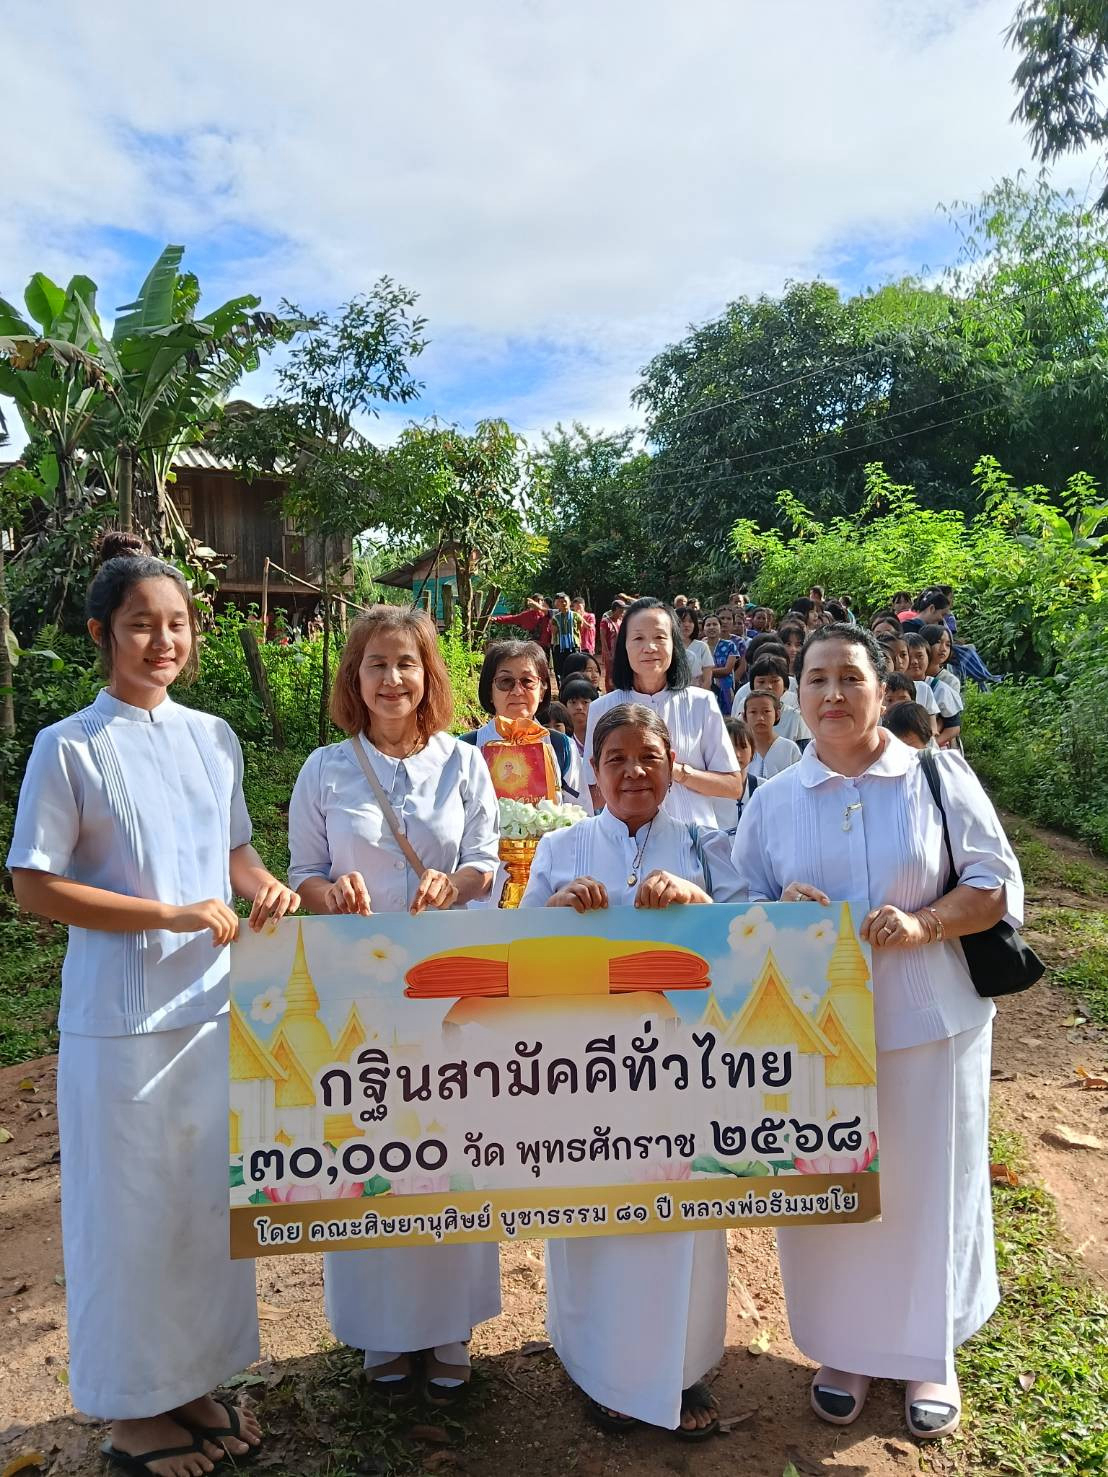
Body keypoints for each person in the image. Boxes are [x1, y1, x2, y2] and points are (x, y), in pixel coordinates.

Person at [8, 533, 300, 1477]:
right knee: (129, 1217)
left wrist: (266, 887)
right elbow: (34, 884)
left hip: (212, 1011)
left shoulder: (212, 737)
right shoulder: (68, 747)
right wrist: (168, 913)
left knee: (202, 1207)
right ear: (103, 633)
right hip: (120, 1023)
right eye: (142, 624)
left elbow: (235, 852)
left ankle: (194, 1384)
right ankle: (133, 1414)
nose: (163, 640)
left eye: (177, 624)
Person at [732, 623, 1022, 1441]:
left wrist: (928, 922)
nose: (832, 693)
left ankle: (931, 1351)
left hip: (930, 1022)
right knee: (833, 1187)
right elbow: (738, 898)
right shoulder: (775, 798)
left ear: (883, 688)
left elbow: (994, 883)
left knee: (930, 1188)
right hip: (818, 1032)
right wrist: (777, 909)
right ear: (796, 695)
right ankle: (845, 1347)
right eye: (816, 679)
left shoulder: (935, 776)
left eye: (849, 677)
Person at [288, 606, 501, 1404]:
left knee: (449, 1144)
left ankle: (449, 1327)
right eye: (376, 664)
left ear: (428, 674)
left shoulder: (463, 763)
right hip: (358, 991)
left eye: (406, 663)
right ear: (355, 676)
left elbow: (486, 861)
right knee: (369, 1141)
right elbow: (303, 872)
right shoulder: (324, 770)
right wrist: (329, 892)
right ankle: (381, 1328)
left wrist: (458, 882)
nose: (391, 679)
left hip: (448, 989)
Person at [521, 703, 740, 1439]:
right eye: (616, 758)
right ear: (594, 772)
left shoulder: (707, 843)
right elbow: (518, 950)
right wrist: (556, 909)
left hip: (684, 1069)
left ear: (673, 766)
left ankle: (682, 1368)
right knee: (597, 1213)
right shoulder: (562, 846)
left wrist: (697, 902)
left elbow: (754, 937)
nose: (634, 771)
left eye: (649, 757)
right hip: (585, 1071)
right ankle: (602, 1368)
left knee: (685, 1213)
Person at [582, 599, 742, 826]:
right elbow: (592, 793)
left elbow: (732, 786)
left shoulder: (701, 703)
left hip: (693, 835)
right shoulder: (602, 708)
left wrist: (675, 771)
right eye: (638, 638)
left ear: (674, 644)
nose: (649, 647)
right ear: (624, 646)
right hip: (626, 837)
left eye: (659, 637)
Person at [461, 641, 587, 808]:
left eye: (527, 681)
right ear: (489, 691)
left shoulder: (562, 747)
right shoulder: (465, 749)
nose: (517, 691)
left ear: (542, 691)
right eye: (506, 681)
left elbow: (582, 815)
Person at [906, 634, 962, 746]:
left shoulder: (939, 688)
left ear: (928, 657)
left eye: (919, 656)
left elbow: (953, 726)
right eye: (908, 656)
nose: (914, 661)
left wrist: (932, 745)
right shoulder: (894, 687)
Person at [748, 654, 810, 745]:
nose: (768, 686)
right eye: (761, 681)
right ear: (752, 686)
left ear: (785, 685)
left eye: (774, 681)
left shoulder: (795, 718)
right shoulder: (744, 717)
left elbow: (803, 750)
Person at [743, 690, 801, 779]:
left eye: (766, 711)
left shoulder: (790, 749)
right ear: (744, 716)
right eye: (753, 712)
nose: (760, 718)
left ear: (777, 715)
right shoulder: (740, 749)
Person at [723, 715, 758, 831]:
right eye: (729, 748)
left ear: (752, 750)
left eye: (743, 747)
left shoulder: (763, 788)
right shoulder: (708, 792)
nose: (737, 754)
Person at [702, 613, 740, 714]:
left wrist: (706, 672)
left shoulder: (730, 645)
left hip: (725, 690)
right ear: (703, 628)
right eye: (708, 625)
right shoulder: (700, 646)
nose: (711, 627)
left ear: (720, 627)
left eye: (715, 624)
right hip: (704, 689)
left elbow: (727, 670)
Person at [488, 596, 553, 652]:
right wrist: (497, 619)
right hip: (532, 647)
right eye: (535, 601)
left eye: (539, 601)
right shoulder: (527, 615)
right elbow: (512, 618)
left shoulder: (547, 614)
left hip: (546, 646)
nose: (536, 603)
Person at [559, 676, 599, 757]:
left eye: (585, 702)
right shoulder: (561, 735)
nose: (579, 707)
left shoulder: (600, 734)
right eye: (573, 702)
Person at [678, 607, 715, 690]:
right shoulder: (669, 646)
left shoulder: (702, 647)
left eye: (690, 621)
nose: (686, 625)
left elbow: (707, 679)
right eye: (682, 621)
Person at [921, 623, 961, 696]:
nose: (944, 649)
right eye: (938, 642)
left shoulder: (950, 681)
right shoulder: (913, 674)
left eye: (948, 645)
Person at [549, 592, 581, 680]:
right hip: (560, 647)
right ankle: (562, 686)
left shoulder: (576, 616)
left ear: (570, 603)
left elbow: (579, 630)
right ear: (558, 604)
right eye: (561, 602)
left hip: (574, 646)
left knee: (575, 668)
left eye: (565, 601)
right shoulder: (555, 618)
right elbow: (554, 632)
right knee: (560, 670)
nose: (563, 603)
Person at [598, 598, 627, 690]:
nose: (623, 612)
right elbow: (603, 638)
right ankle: (609, 692)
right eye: (621, 610)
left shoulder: (620, 621)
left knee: (619, 671)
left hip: (619, 651)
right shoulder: (605, 621)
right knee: (609, 673)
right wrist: (607, 653)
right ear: (616, 609)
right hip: (610, 651)